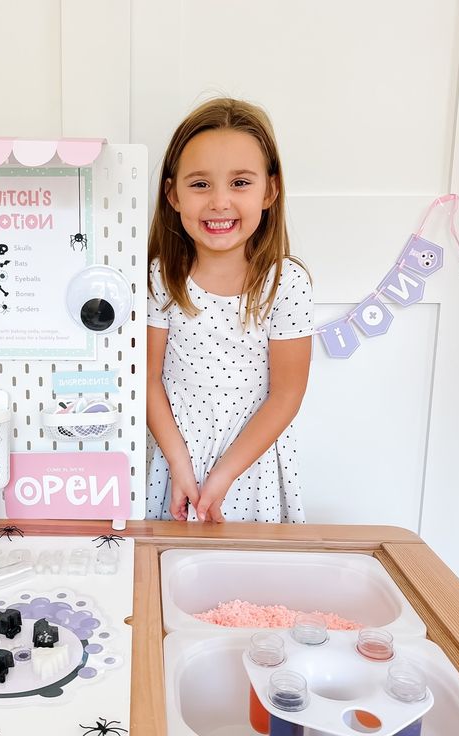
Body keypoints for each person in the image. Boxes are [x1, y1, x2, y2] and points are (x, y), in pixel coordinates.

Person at [145, 98, 313, 523]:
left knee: (249, 580)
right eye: (200, 184)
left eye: (240, 183)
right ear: (173, 194)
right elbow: (147, 379)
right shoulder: (160, 277)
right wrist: (180, 466)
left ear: (270, 191)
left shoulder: (286, 282)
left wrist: (222, 477)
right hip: (174, 456)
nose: (219, 202)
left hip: (248, 465)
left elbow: (286, 395)